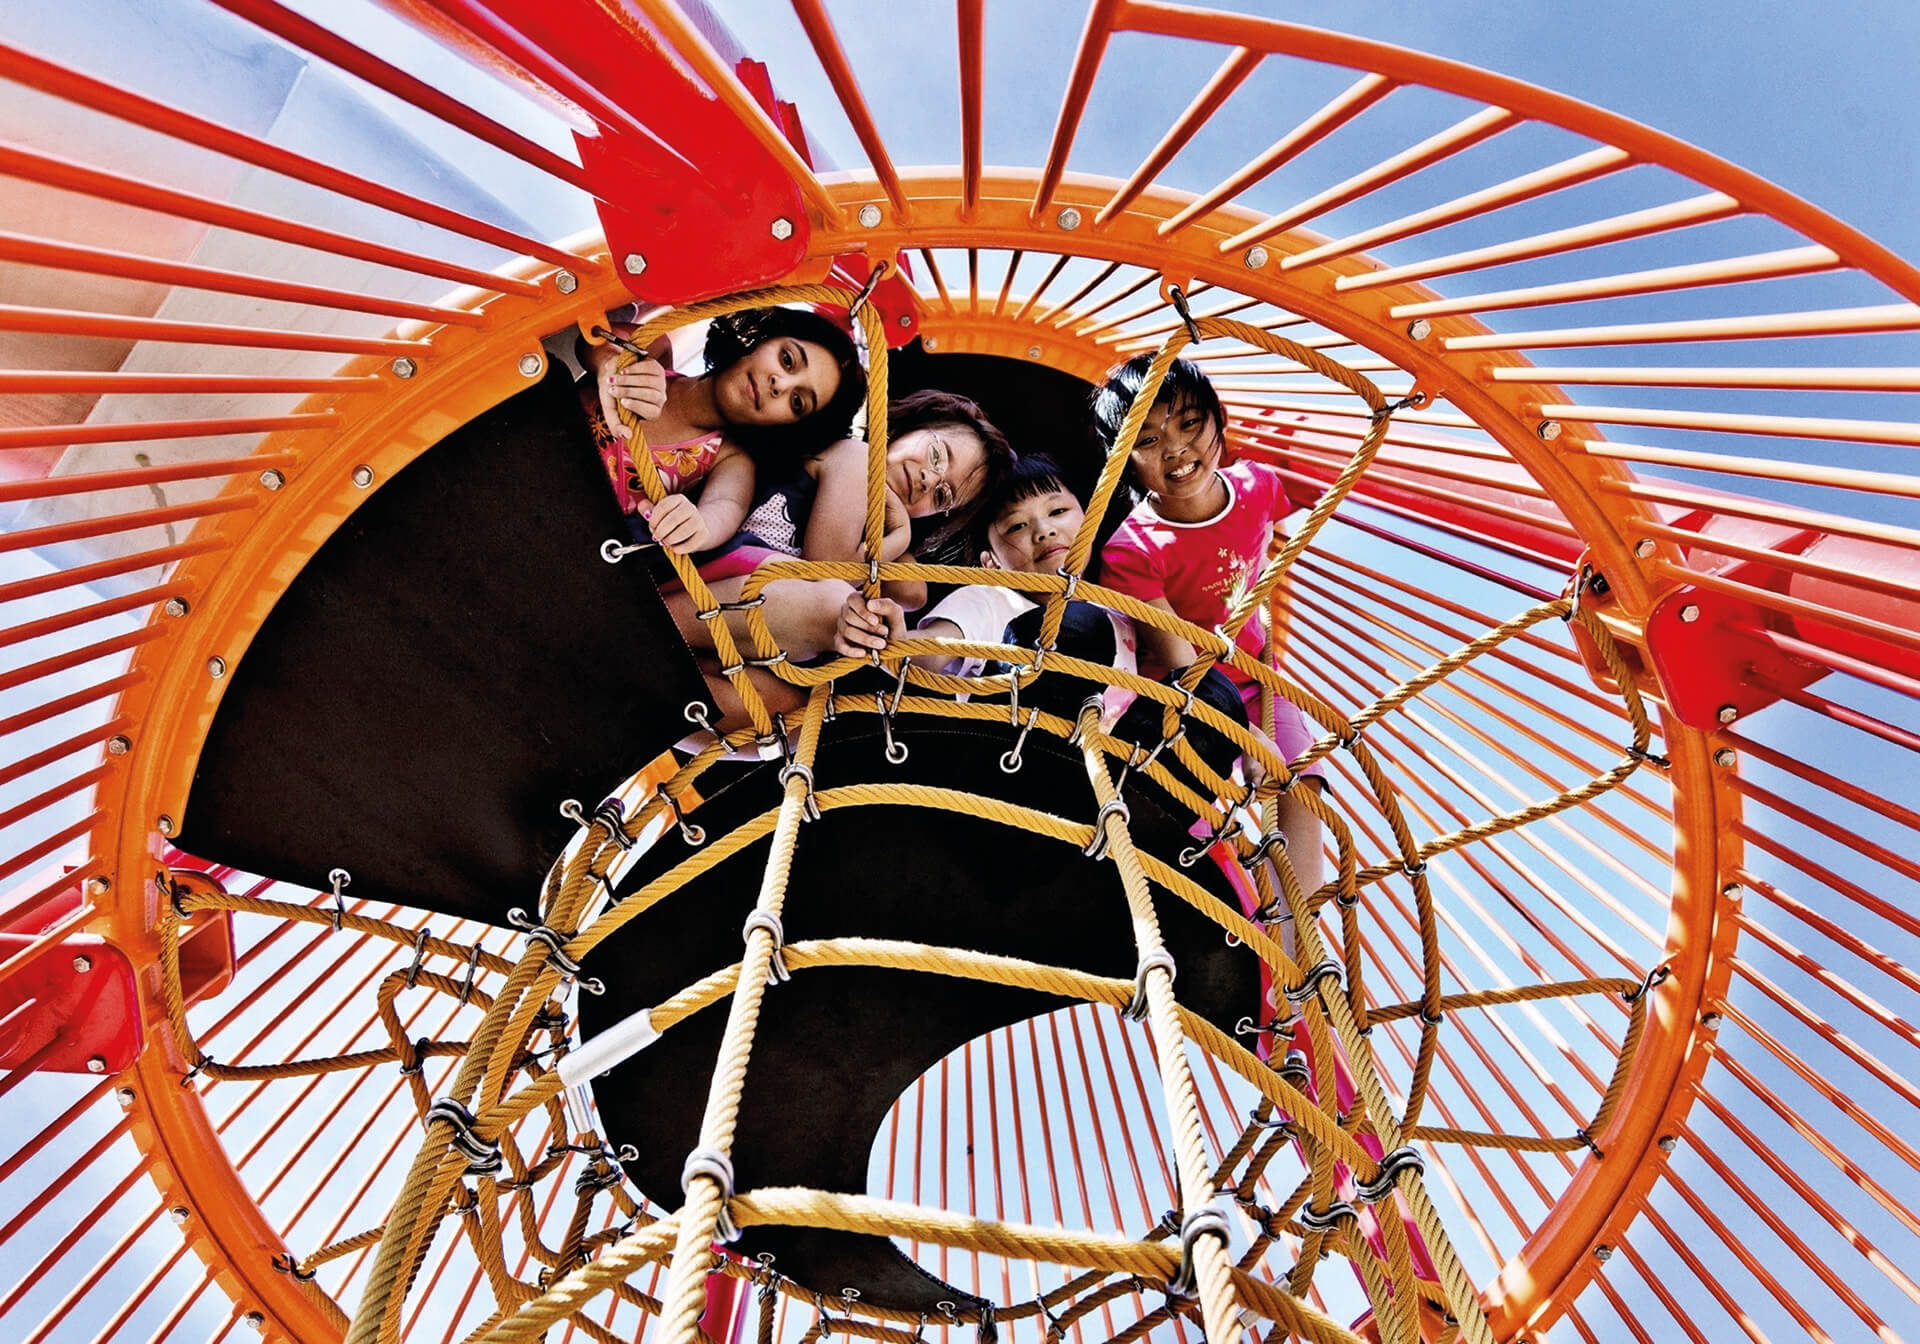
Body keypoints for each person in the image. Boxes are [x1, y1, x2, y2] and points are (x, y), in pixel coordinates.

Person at [1092, 352, 1328, 901]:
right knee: (1191, 815)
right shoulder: (1132, 550)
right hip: (1182, 696)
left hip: (1254, 676)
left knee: (1301, 778)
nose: (1175, 448)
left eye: (1189, 423)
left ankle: (1299, 926)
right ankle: (1217, 909)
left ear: (1218, 421)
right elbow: (1183, 661)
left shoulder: (1258, 485)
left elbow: (1311, 496)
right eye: (1148, 440)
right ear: (1124, 462)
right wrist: (1246, 738)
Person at [667, 390, 1016, 729]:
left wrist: (897, 535)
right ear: (910, 429)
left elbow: (914, 594)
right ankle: (654, 635)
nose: (929, 479)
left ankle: (651, 677)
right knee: (836, 605)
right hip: (697, 578)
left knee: (791, 718)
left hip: (730, 615)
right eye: (937, 455)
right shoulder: (854, 455)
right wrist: (899, 536)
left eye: (942, 495)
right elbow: (827, 566)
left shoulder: (880, 537)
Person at [580, 306, 867, 555]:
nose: (780, 384)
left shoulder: (731, 462)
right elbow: (592, 341)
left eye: (797, 402)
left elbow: (719, 514)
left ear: (790, 428)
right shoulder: (655, 352)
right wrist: (613, 366)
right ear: (762, 335)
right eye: (787, 360)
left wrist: (695, 526)